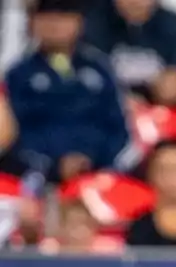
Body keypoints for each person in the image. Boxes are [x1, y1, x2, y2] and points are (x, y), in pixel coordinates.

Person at [3, 0, 137, 183]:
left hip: (99, 177)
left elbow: (119, 127)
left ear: (80, 22)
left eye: (64, 16)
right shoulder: (17, 75)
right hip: (37, 180)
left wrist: (94, 161)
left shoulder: (101, 69)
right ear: (33, 23)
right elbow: (12, 135)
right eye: (47, 17)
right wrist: (53, 165)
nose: (55, 24)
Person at [82, 0, 176, 107]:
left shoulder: (170, 24)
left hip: (162, 112)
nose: (135, 2)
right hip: (108, 112)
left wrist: (173, 87)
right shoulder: (94, 22)